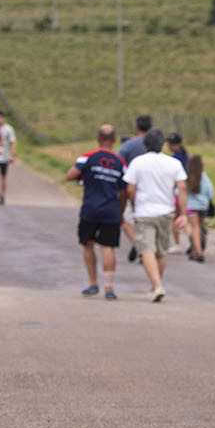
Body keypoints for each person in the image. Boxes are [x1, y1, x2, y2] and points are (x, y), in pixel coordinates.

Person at [123, 130, 188, 302]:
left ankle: (157, 285)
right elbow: (181, 188)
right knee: (161, 251)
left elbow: (129, 188)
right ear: (162, 144)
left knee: (146, 249)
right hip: (166, 211)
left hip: (144, 210)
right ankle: (155, 284)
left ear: (145, 145)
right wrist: (183, 213)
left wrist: (133, 202)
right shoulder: (173, 163)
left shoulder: (137, 162)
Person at [65, 124, 127, 300]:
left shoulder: (87, 158)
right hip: (111, 210)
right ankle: (109, 286)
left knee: (88, 244)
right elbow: (125, 191)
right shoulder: (120, 162)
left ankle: (93, 283)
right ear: (114, 141)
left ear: (98, 139)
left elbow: (70, 175)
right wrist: (120, 211)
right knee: (108, 247)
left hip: (90, 208)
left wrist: (83, 176)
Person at [117, 115, 154, 262]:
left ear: (137, 127)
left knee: (125, 219)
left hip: (132, 187)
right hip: (152, 187)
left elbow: (118, 163)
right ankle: (145, 246)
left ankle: (138, 245)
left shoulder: (129, 145)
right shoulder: (155, 145)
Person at [183, 155, 213, 263]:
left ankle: (198, 252)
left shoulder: (186, 178)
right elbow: (210, 192)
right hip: (203, 207)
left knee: (193, 228)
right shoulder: (204, 177)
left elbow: (179, 192)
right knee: (198, 228)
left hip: (191, 207)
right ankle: (195, 250)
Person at [166, 133, 190, 251]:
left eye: (172, 144)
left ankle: (177, 243)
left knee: (177, 218)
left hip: (177, 191)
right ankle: (192, 240)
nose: (170, 146)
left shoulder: (175, 159)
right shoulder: (186, 156)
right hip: (186, 191)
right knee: (185, 218)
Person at [0, 110, 16, 205]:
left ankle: (3, 195)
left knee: (3, 177)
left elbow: (13, 142)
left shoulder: (8, 129)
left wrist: (12, 155)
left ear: (3, 118)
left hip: (4, 156)